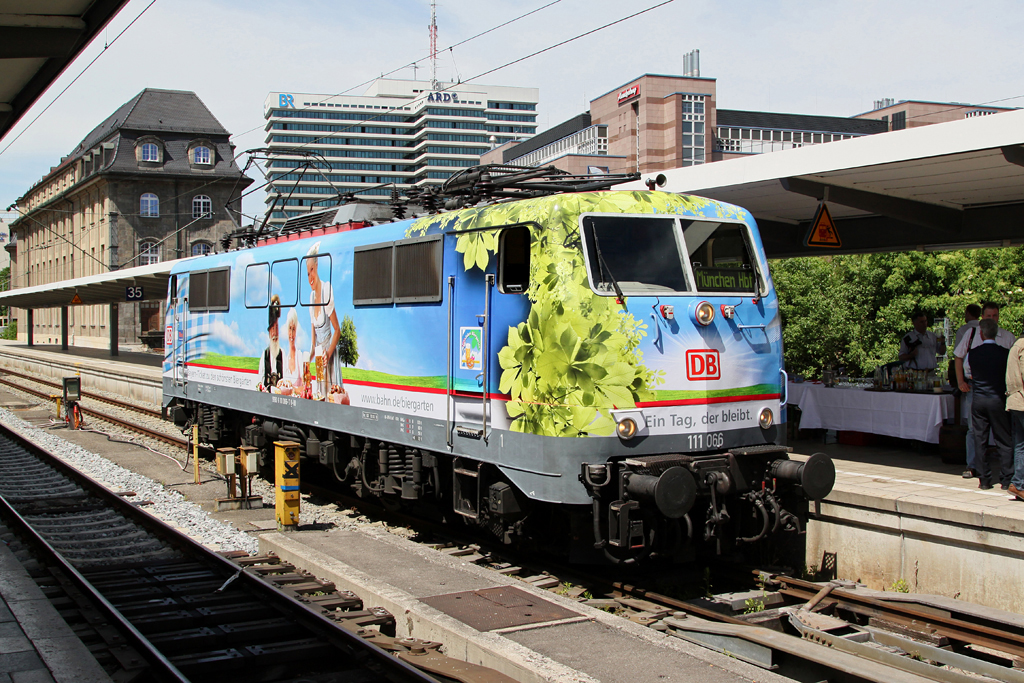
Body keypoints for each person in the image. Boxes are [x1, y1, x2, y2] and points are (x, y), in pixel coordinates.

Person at [955, 301, 1016, 477]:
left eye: (994, 316)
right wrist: (960, 382)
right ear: (982, 317)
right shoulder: (971, 333)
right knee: (974, 430)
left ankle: (1005, 472)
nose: (992, 319)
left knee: (1002, 431)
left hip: (999, 388)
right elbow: (959, 357)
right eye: (988, 316)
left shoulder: (1007, 337)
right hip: (976, 385)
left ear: (999, 316)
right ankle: (973, 466)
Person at [968, 319, 1012, 490]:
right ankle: (1006, 478)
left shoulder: (974, 353)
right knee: (1003, 439)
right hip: (997, 398)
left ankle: (984, 479)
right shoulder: (1004, 353)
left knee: (980, 439)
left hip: (979, 398)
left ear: (981, 333)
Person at [306, 242, 341, 391]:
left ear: (317, 265)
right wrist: (308, 360)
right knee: (321, 393)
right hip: (320, 357)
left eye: (312, 270)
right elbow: (314, 345)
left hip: (329, 353)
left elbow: (337, 330)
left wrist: (328, 353)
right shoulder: (311, 298)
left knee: (333, 394)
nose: (310, 277)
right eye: (307, 273)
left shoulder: (326, 289)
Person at [1006, 333, 1024, 501]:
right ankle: (1018, 483)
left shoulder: (1016, 345)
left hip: (1015, 401)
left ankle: (1018, 484)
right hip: (1022, 400)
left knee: (1020, 444)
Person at [259, 295, 283, 391]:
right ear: (269, 333)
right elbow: (260, 380)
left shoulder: (282, 354)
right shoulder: (265, 355)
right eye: (272, 329)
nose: (274, 333)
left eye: (276, 328)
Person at [283, 307, 302, 386]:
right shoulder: (285, 358)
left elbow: (305, 388)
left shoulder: (299, 355)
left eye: (293, 329)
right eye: (290, 328)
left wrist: (292, 389)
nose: (291, 333)